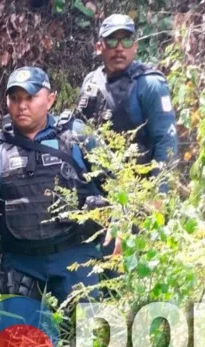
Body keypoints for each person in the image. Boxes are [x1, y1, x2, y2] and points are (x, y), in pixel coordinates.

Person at [0, 66, 105, 307]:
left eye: (30, 97)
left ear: (50, 100)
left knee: (92, 336)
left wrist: (119, 231)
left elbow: (114, 182)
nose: (22, 105)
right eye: (15, 98)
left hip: (75, 254)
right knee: (17, 338)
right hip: (19, 260)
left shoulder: (78, 136)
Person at [76, 13, 179, 256]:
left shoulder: (150, 85)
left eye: (126, 40)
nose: (119, 48)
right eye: (112, 41)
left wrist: (157, 199)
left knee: (131, 268)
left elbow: (167, 143)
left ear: (136, 45)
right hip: (97, 194)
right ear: (100, 46)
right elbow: (79, 134)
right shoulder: (92, 82)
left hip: (138, 194)